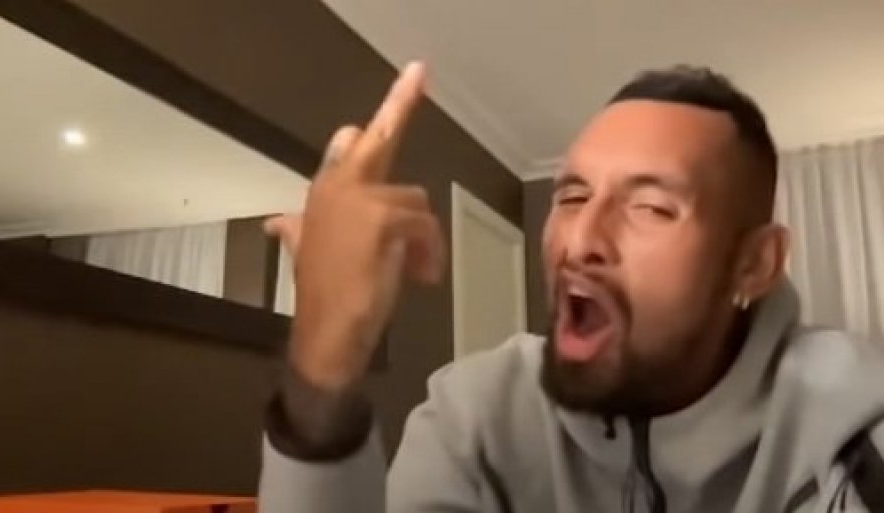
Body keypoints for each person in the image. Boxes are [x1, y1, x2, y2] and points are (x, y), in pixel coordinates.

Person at [258, 62, 884, 512]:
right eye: (573, 196)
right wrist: (323, 368)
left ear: (755, 263)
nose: (580, 241)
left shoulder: (851, 426)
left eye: (651, 208)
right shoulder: (475, 417)